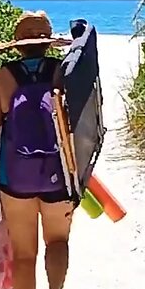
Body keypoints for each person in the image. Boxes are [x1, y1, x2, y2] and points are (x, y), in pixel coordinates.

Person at [0, 11, 75, 289]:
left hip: (15, 175)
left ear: (18, 45)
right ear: (49, 41)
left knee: (23, 256)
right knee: (58, 242)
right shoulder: (64, 71)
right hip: (58, 174)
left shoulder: (2, 77)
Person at [55, 19, 106, 199]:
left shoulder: (4, 77)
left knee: (22, 228)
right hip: (60, 170)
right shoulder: (60, 71)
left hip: (17, 175)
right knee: (58, 229)